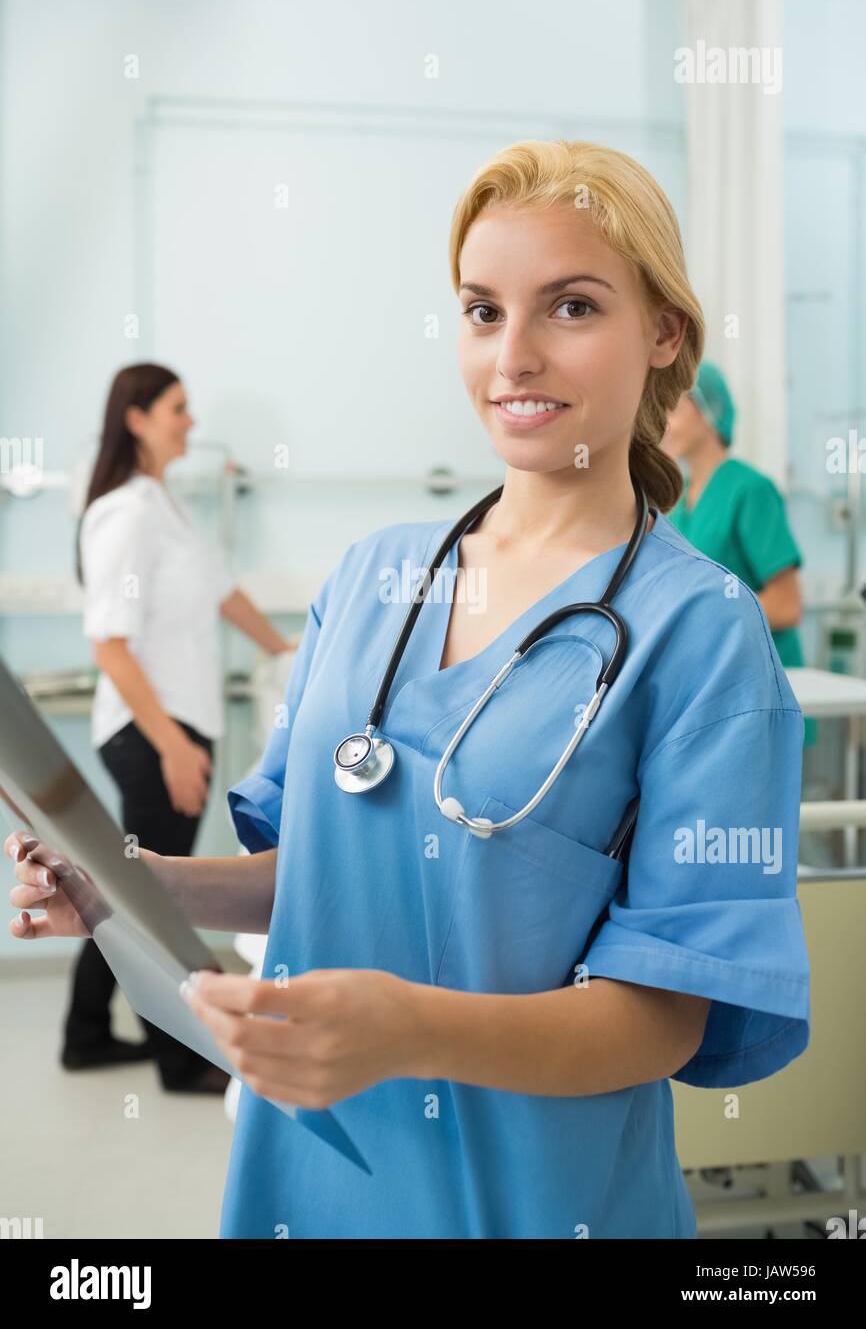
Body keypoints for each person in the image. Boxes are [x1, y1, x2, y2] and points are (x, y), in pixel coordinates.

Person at [8, 141, 810, 1237]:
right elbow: (324, 868)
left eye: (568, 307)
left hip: (535, 1200)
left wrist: (407, 1031)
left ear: (663, 331)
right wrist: (136, 886)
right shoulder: (372, 576)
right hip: (311, 1178)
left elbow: (667, 1017)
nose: (512, 356)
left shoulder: (702, 634)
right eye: (483, 311)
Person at [62, 363, 297, 1092]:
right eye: (177, 408)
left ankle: (88, 1033)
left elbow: (225, 594)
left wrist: (292, 654)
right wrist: (173, 748)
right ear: (136, 418)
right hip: (149, 732)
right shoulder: (126, 512)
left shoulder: (166, 507)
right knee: (153, 897)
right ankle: (177, 1058)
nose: (190, 422)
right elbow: (109, 643)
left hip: (171, 730)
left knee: (133, 888)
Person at [663, 362, 816, 749]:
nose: (663, 421)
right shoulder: (678, 499)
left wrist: (707, 623)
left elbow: (787, 605)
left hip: (764, 682)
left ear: (709, 411)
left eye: (674, 408)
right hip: (713, 686)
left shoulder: (750, 489)